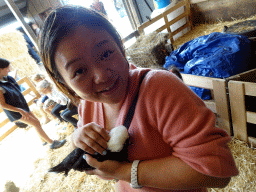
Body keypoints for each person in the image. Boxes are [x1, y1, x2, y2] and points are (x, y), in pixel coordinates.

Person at [39, 6, 239, 192]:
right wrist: (77, 141)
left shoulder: (160, 89)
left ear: (121, 47)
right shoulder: (87, 107)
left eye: (106, 53)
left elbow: (217, 173)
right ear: (63, 83)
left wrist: (123, 172)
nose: (101, 75)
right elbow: (97, 164)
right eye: (79, 70)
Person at [0, 58, 66, 149]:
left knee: (36, 123)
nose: (9, 70)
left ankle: (43, 141)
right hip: (16, 111)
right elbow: (2, 104)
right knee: (35, 123)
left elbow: (13, 81)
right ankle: (52, 143)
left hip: (22, 106)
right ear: (0, 69)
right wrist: (19, 110)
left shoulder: (6, 78)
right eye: (7, 68)